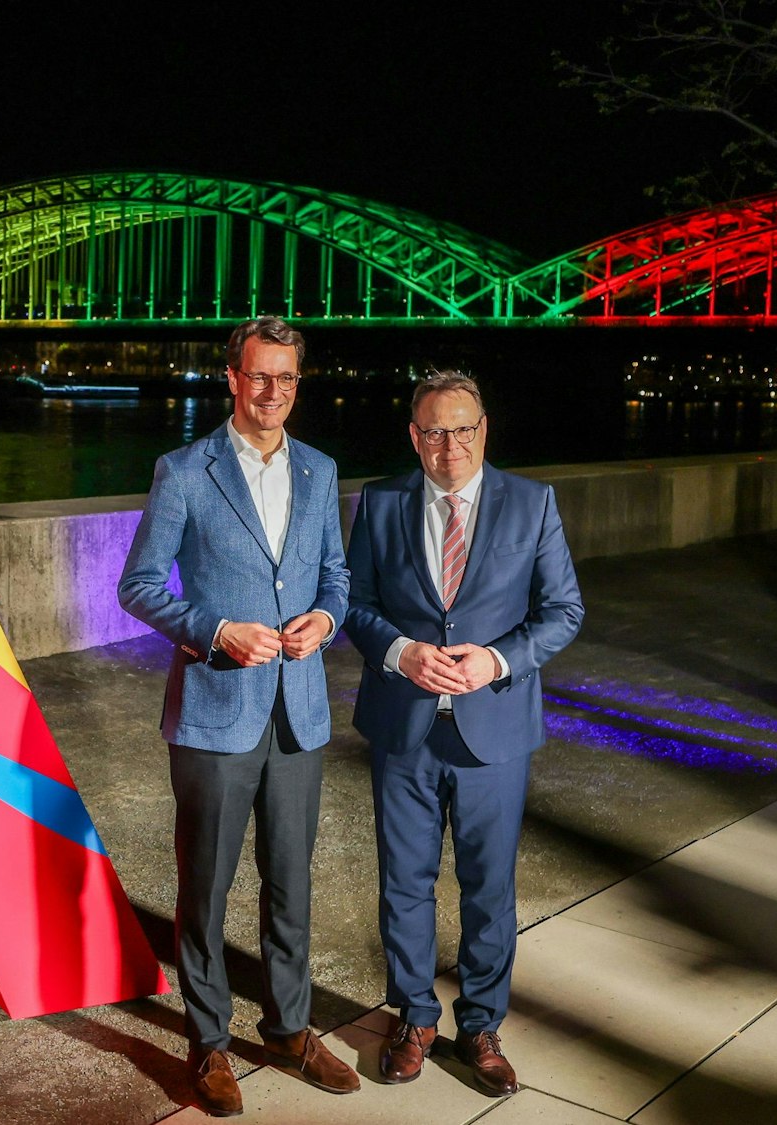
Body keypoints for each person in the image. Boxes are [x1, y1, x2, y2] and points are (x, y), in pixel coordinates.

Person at [118, 316, 358, 1117]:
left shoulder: (321, 471)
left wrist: (325, 620)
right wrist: (215, 630)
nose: (272, 393)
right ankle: (210, 1039)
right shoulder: (185, 470)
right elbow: (141, 586)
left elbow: (335, 578)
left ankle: (290, 1027)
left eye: (286, 379)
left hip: (300, 712)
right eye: (259, 376)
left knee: (291, 882)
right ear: (231, 376)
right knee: (207, 886)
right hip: (216, 711)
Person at [342, 371, 583, 1097]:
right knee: (404, 882)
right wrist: (399, 651)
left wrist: (498, 658)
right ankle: (414, 1016)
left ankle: (480, 1024)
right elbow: (354, 603)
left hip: (494, 729)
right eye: (434, 431)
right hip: (403, 724)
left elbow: (563, 609)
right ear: (414, 436)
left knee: (488, 887)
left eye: (464, 428)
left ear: (486, 429)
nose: (451, 445)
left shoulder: (531, 502)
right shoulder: (380, 501)